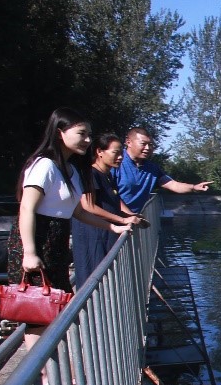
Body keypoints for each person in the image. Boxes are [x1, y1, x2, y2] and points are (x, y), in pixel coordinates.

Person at [10, 109, 131, 348]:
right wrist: (30, 252)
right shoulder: (43, 165)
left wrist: (114, 227)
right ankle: (44, 376)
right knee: (38, 313)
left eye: (89, 134)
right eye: (81, 134)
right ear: (59, 133)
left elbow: (79, 212)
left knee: (57, 308)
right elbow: (26, 209)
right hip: (37, 239)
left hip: (56, 242)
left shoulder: (71, 170)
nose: (87, 139)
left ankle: (53, 373)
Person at [72, 133, 142, 288]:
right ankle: (93, 312)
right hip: (93, 235)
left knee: (108, 279)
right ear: (99, 152)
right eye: (115, 153)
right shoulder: (90, 173)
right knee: (94, 278)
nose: (120, 157)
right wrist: (123, 220)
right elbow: (88, 206)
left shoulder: (107, 175)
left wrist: (130, 215)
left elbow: (114, 200)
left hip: (106, 234)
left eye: (121, 153)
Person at [114, 127, 213, 213]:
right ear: (128, 142)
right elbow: (107, 195)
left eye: (150, 144)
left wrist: (194, 187)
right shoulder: (114, 162)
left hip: (130, 223)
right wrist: (127, 216)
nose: (148, 148)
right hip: (109, 222)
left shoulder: (152, 168)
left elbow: (174, 185)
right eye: (143, 144)